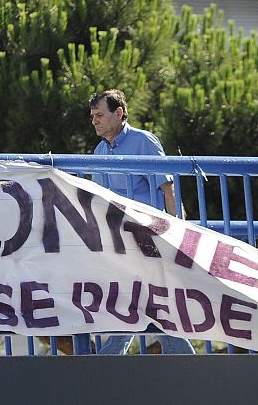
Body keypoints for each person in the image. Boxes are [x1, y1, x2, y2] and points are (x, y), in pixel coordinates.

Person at [72, 89, 195, 355]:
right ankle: (189, 369)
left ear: (119, 113)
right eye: (92, 116)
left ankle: (104, 370)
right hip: (120, 243)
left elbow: (168, 189)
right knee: (142, 308)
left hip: (148, 240)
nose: (94, 121)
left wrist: (180, 235)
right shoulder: (99, 151)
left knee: (140, 307)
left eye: (100, 115)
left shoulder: (144, 142)